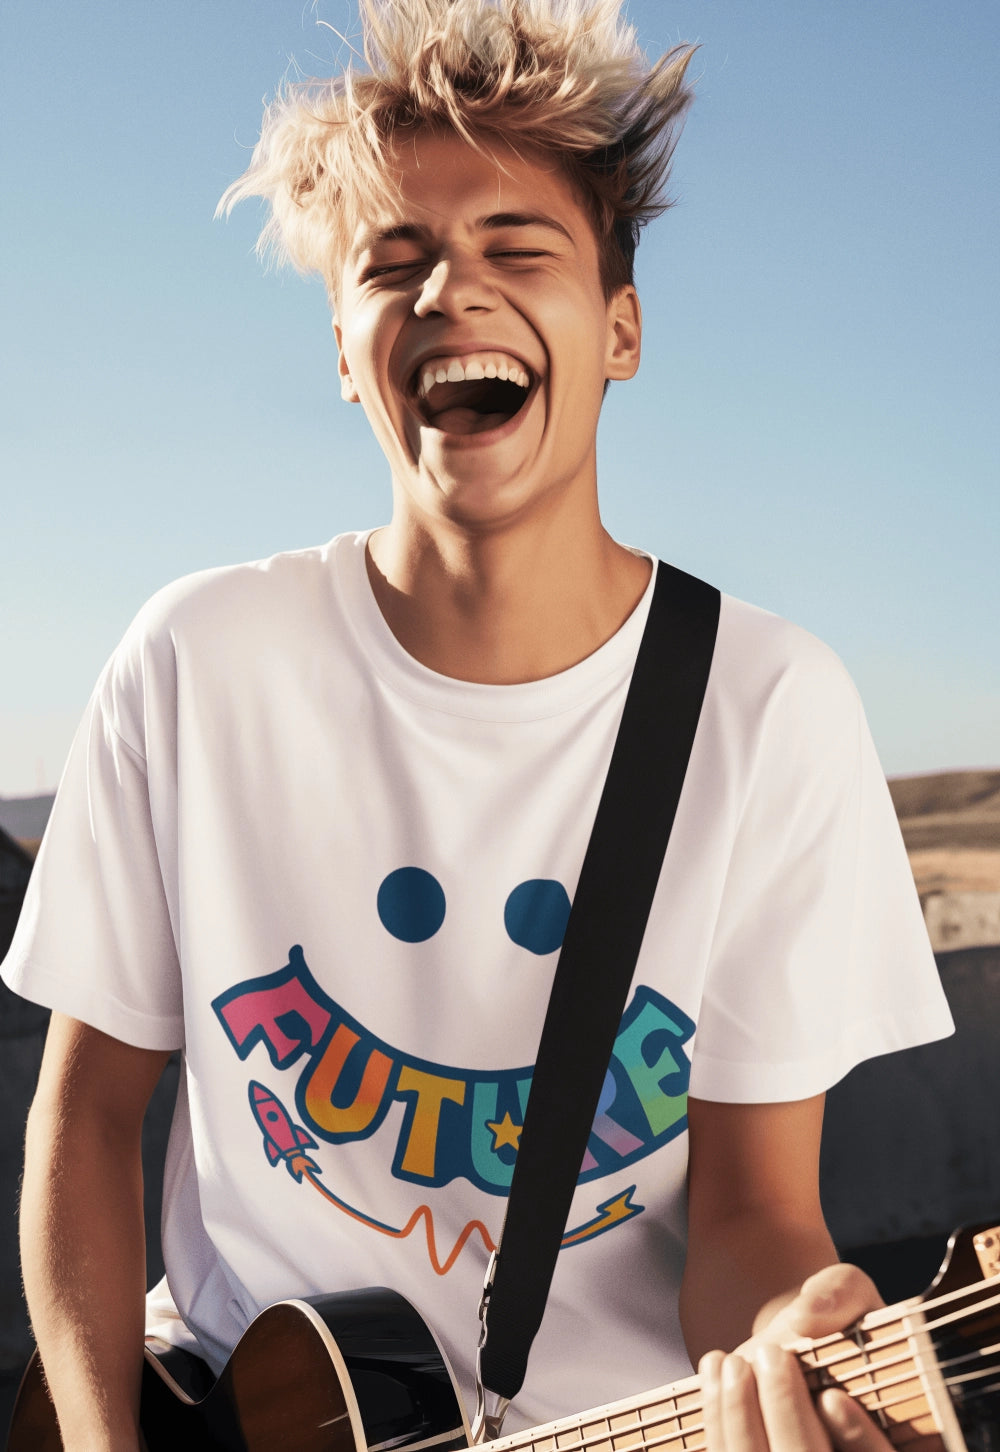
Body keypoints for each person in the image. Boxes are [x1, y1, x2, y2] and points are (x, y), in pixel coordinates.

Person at [3, 3, 954, 1449]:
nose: (455, 291)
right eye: (398, 264)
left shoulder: (766, 708)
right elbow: (84, 1118)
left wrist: (787, 1353)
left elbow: (758, 1211)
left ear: (620, 328)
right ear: (343, 350)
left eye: (521, 250)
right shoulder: (198, 662)